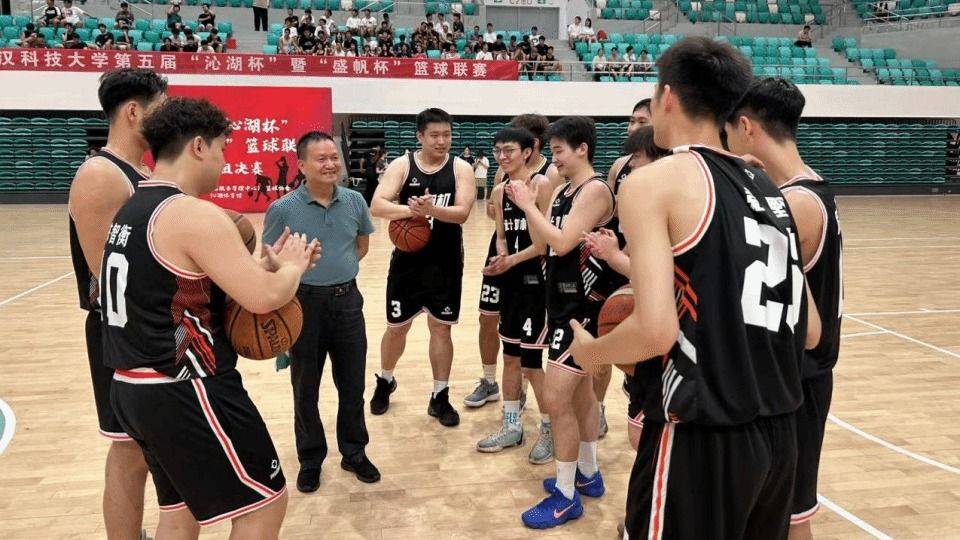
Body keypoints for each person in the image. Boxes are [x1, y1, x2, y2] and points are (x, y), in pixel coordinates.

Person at [568, 37, 818, 539]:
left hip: (700, 433)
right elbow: (809, 329)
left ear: (667, 96)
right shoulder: (770, 188)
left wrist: (592, 353)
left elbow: (656, 331)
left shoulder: (654, 182)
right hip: (780, 434)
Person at [103, 96, 318, 538]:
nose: (224, 160)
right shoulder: (191, 212)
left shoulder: (134, 206)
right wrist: (293, 268)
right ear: (198, 146)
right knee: (264, 504)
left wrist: (262, 267)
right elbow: (263, 299)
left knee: (180, 512)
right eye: (222, 148)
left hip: (133, 388)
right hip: (186, 388)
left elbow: (177, 285)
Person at [724, 77, 843, 540]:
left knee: (791, 518)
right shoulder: (808, 186)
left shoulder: (792, 203)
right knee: (772, 511)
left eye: (728, 132)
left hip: (798, 379)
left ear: (746, 127)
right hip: (797, 376)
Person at [68, 68, 167, 540]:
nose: (166, 119)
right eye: (160, 109)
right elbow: (108, 275)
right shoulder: (100, 175)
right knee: (129, 451)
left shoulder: (141, 173)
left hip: (149, 327)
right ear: (133, 112)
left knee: (149, 448)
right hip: (120, 330)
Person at [507, 116, 616, 529]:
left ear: (582, 148)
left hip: (585, 308)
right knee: (581, 395)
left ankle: (567, 497)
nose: (554, 159)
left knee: (556, 399)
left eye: (559, 151)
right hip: (561, 301)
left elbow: (564, 241)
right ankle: (587, 474)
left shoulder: (595, 190)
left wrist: (528, 206)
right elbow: (544, 244)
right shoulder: (563, 190)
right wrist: (534, 206)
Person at [263, 131, 380, 494]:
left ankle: (354, 452)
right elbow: (269, 259)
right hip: (303, 305)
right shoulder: (283, 209)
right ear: (301, 165)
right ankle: (311, 458)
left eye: (334, 158)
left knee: (353, 384)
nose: (331, 164)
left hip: (348, 302)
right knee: (305, 387)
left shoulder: (355, 200)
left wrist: (338, 272)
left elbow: (361, 246)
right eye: (321, 159)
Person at [369, 108, 475, 427]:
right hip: (407, 263)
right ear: (420, 136)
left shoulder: (461, 168)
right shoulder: (403, 165)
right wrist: (411, 210)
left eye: (447, 135)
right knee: (397, 328)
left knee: (441, 328)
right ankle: (385, 379)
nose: (442, 141)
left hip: (445, 262)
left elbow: (463, 212)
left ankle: (439, 395)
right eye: (435, 135)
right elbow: (377, 205)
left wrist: (432, 210)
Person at [583, 126, 668, 453]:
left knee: (644, 435)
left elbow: (662, 276)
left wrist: (614, 257)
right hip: (649, 314)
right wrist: (616, 251)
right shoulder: (646, 200)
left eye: (638, 157)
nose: (630, 164)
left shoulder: (667, 207)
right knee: (639, 431)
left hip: (665, 327)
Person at [475, 127, 554, 463]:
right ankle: (512, 426)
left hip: (537, 281)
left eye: (508, 150)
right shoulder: (499, 190)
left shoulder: (541, 184)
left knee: (532, 363)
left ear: (527, 151)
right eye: (497, 151)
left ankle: (549, 429)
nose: (502, 156)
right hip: (511, 280)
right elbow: (502, 236)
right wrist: (501, 257)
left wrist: (512, 260)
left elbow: (543, 244)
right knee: (510, 356)